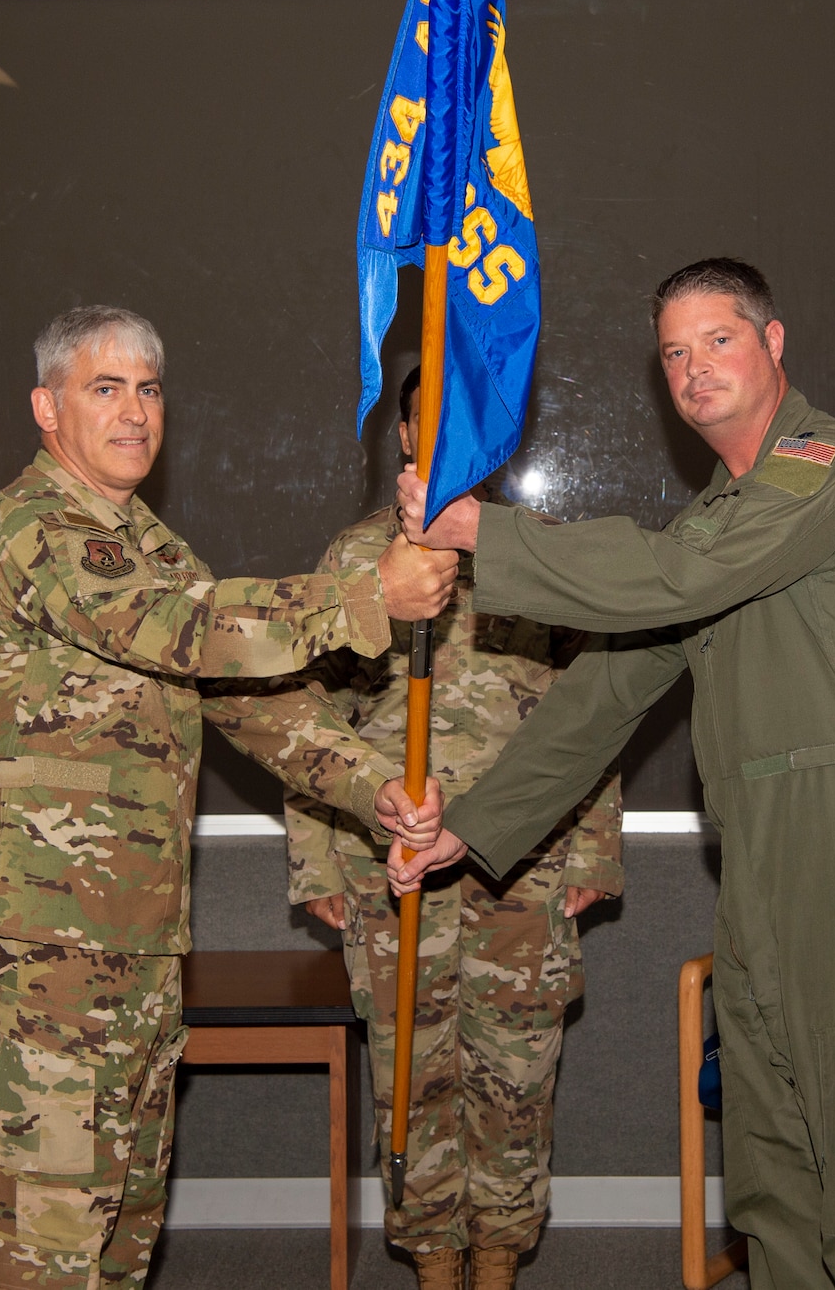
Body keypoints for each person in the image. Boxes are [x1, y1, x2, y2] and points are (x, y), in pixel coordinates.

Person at [391, 260, 835, 1290]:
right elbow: (606, 691)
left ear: (772, 342)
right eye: (672, 351)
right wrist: (470, 824)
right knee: (774, 1170)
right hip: (760, 852)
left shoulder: (822, 467)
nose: (693, 367)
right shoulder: (724, 510)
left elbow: (676, 577)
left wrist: (483, 531)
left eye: (717, 339)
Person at [0, 305, 457, 1290]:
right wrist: (362, 598)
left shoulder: (148, 542)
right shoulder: (30, 532)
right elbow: (180, 629)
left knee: (121, 1236)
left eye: (148, 388)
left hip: (137, 948)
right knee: (38, 1252)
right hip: (41, 955)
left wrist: (371, 784)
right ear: (47, 407)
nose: (135, 411)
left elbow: (249, 700)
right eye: (106, 387)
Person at [285, 367, 621, 1290]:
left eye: (466, 423)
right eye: (425, 423)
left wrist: (593, 845)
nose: (441, 439)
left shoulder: (540, 554)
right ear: (399, 436)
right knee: (410, 1073)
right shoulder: (354, 560)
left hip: (527, 864)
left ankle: (502, 1252)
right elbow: (302, 715)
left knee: (517, 1072)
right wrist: (314, 860)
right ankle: (434, 1258)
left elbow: (594, 707)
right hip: (388, 864)